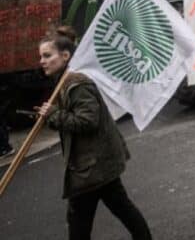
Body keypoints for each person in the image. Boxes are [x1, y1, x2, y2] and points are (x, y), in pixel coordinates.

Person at [35, 26, 152, 240]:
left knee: (80, 223)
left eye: (47, 55)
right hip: (95, 164)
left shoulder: (76, 83)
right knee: (121, 209)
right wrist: (52, 117)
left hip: (90, 167)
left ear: (65, 56)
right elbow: (72, 121)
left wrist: (54, 115)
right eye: (41, 56)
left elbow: (87, 121)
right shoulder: (64, 82)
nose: (42, 61)